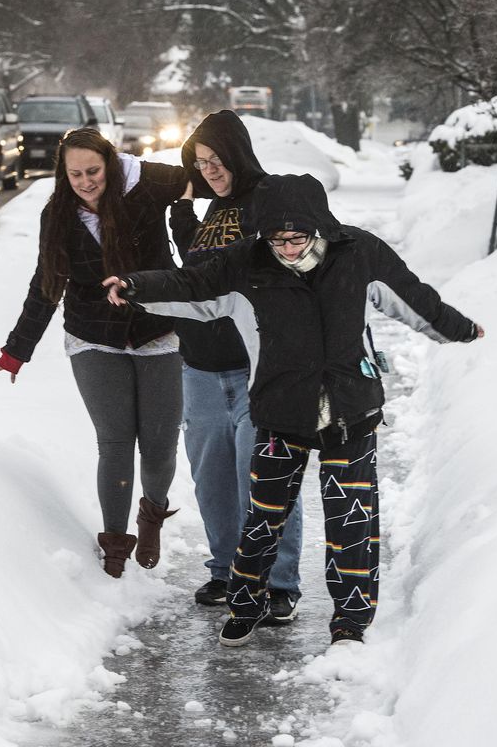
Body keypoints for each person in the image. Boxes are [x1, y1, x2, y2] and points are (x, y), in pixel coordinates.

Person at [103, 173, 484, 645]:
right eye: (275, 238)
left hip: (350, 409)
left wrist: (460, 328)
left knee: (351, 517)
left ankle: (350, 618)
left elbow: (414, 297)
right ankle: (247, 605)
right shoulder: (246, 264)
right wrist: (136, 286)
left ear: (320, 227)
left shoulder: (360, 254)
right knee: (264, 517)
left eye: (295, 237)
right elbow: (190, 283)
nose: (285, 248)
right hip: (281, 409)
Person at [0, 127, 189, 579]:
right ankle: (115, 544)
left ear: (110, 165)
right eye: (75, 173)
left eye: (93, 170)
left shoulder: (146, 184)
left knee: (158, 445)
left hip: (158, 330)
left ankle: (151, 515)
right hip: (94, 336)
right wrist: (16, 351)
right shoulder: (58, 214)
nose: (85, 181)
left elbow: (206, 179)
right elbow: (46, 285)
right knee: (115, 441)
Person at [170, 111, 304, 620]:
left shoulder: (269, 200)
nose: (209, 171)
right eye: (200, 163)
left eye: (216, 159)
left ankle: (278, 581)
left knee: (266, 477)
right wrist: (185, 218)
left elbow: (238, 270)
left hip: (257, 367)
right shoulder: (210, 211)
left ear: (237, 152)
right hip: (200, 364)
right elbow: (202, 278)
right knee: (213, 479)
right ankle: (226, 569)